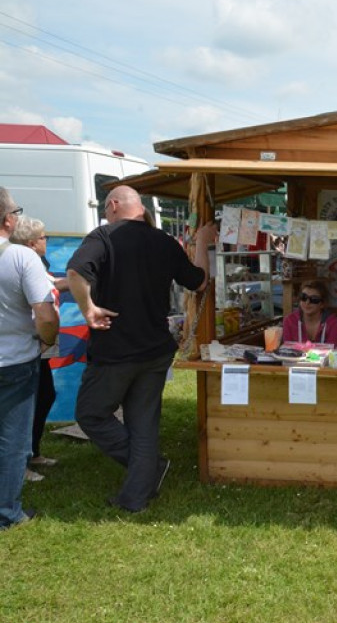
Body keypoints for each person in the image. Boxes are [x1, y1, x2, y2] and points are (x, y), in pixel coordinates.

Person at [66, 185, 216, 513]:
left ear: (116, 205)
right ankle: (138, 491)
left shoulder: (103, 236)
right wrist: (204, 243)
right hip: (156, 350)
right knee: (144, 423)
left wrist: (88, 308)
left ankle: (145, 472)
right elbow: (200, 281)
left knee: (90, 414)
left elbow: (76, 272)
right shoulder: (163, 241)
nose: (105, 214)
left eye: (106, 208)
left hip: (115, 350)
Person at [0, 188, 59, 529]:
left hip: (16, 360)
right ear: (8, 220)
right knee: (12, 441)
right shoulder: (22, 258)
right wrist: (45, 341)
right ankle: (7, 513)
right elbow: (46, 316)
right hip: (15, 362)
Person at [11, 216, 66, 481]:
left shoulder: (37, 264)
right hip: (31, 346)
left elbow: (52, 286)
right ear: (32, 243)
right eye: (44, 237)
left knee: (44, 397)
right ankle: (20, 465)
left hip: (38, 347)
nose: (48, 241)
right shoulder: (24, 262)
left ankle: (32, 453)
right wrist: (44, 336)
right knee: (28, 405)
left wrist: (81, 281)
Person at [281, 279, 337, 346]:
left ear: (322, 304)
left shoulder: (333, 323)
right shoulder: (289, 321)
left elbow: (332, 352)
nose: (307, 302)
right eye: (304, 297)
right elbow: (288, 350)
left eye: (314, 299)